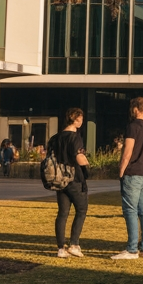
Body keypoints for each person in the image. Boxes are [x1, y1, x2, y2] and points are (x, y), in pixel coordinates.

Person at [113, 97, 143, 259]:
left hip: (133, 172)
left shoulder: (133, 127)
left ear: (135, 109)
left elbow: (128, 151)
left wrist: (121, 170)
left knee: (130, 210)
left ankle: (132, 249)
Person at [49, 107, 90, 258]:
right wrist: (87, 167)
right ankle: (74, 244)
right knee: (81, 210)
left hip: (59, 179)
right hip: (75, 178)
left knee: (62, 213)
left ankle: (61, 248)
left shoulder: (55, 138)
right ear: (76, 119)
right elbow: (79, 157)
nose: (81, 122)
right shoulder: (75, 137)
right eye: (80, 119)